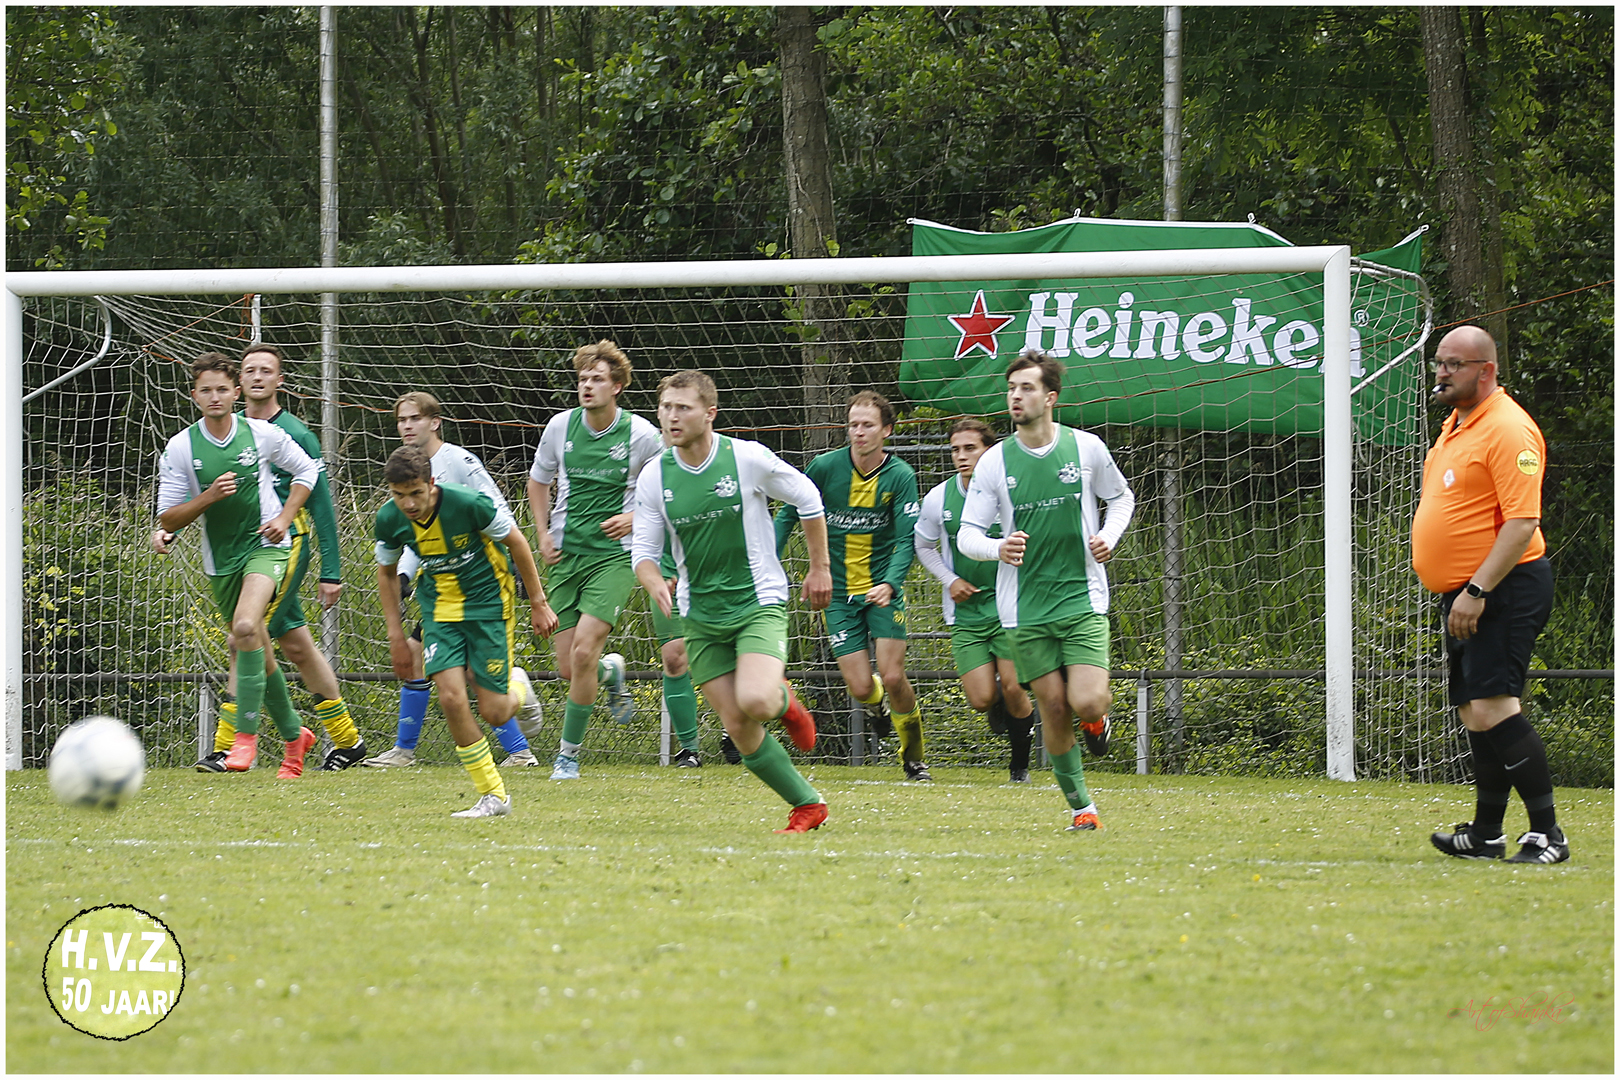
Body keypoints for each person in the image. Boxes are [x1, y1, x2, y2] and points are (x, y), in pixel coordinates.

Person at [631, 371, 833, 832]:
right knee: (738, 725)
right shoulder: (654, 476)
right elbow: (643, 551)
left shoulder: (745, 458)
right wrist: (654, 581)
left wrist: (819, 567)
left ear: (710, 413)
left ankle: (784, 701)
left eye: (683, 407)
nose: (671, 416)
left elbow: (807, 496)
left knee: (757, 700)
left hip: (756, 603)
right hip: (700, 616)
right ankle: (807, 805)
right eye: (665, 407)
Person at [165, 344, 368, 772]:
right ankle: (343, 739)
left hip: (282, 543)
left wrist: (330, 569)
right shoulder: (192, 441)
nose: (257, 376)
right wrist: (171, 527)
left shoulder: (290, 432)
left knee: (244, 631)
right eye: (250, 369)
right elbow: (180, 503)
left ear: (277, 380)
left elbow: (320, 498)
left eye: (266, 370)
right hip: (228, 553)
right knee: (292, 642)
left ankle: (230, 743)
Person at [956, 348, 1135, 831]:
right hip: (1025, 611)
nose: (1016, 396)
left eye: (1027, 388)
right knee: (1053, 708)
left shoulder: (1086, 448)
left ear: (1050, 397)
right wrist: (998, 548)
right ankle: (1082, 808)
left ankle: (1096, 721)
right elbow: (968, 535)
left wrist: (1108, 536)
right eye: (1011, 389)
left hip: (1082, 599)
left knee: (1088, 701)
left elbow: (1121, 498)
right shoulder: (995, 462)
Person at [1419, 327, 1566, 865]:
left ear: (1486, 370)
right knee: (1474, 712)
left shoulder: (1508, 428)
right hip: (1466, 592)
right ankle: (1485, 835)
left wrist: (1478, 589)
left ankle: (1548, 835)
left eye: (1454, 364)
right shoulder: (1456, 425)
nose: (1442, 373)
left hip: (1503, 588)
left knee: (1495, 708)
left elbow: (1523, 522)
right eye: (1439, 362)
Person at [374, 445, 558, 817]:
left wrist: (538, 603)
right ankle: (493, 795)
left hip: (489, 606)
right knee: (451, 698)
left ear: (432, 483)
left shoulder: (468, 504)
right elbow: (387, 572)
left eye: (416, 493)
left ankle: (519, 689)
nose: (408, 504)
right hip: (439, 611)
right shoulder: (390, 518)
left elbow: (516, 542)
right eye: (398, 495)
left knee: (494, 712)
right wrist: (395, 634)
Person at [363, 391, 542, 768]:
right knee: (427, 662)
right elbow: (420, 533)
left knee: (474, 677)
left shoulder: (459, 462)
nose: (406, 426)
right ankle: (407, 750)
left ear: (435, 422)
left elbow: (495, 514)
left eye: (414, 418)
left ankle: (517, 746)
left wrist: (520, 575)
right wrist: (405, 573)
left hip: (481, 583)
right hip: (441, 589)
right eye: (401, 420)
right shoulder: (403, 475)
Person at [525, 341, 678, 780]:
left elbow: (669, 487)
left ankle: (567, 757)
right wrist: (542, 534)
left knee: (584, 650)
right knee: (569, 667)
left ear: (618, 387)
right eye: (582, 379)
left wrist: (634, 518)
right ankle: (611, 671)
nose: (587, 386)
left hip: (614, 557)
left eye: (597, 379)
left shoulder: (641, 435)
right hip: (566, 555)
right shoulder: (560, 427)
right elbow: (538, 482)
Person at [774, 391, 928, 781]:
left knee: (892, 676)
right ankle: (876, 709)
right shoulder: (825, 467)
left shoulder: (900, 476)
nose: (859, 432)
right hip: (838, 595)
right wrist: (768, 561)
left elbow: (906, 539)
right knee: (861, 687)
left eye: (868, 425)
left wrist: (890, 584)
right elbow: (788, 513)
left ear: (887, 430)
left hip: (881, 591)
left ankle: (914, 759)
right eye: (853, 424)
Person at [914, 419, 1039, 782]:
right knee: (981, 699)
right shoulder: (939, 498)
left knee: (1014, 685)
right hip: (966, 613)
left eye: (970, 448)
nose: (961, 456)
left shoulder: (1013, 491)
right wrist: (950, 579)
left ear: (989, 451)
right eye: (955, 449)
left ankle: (1019, 768)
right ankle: (999, 699)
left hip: (1009, 607)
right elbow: (923, 545)